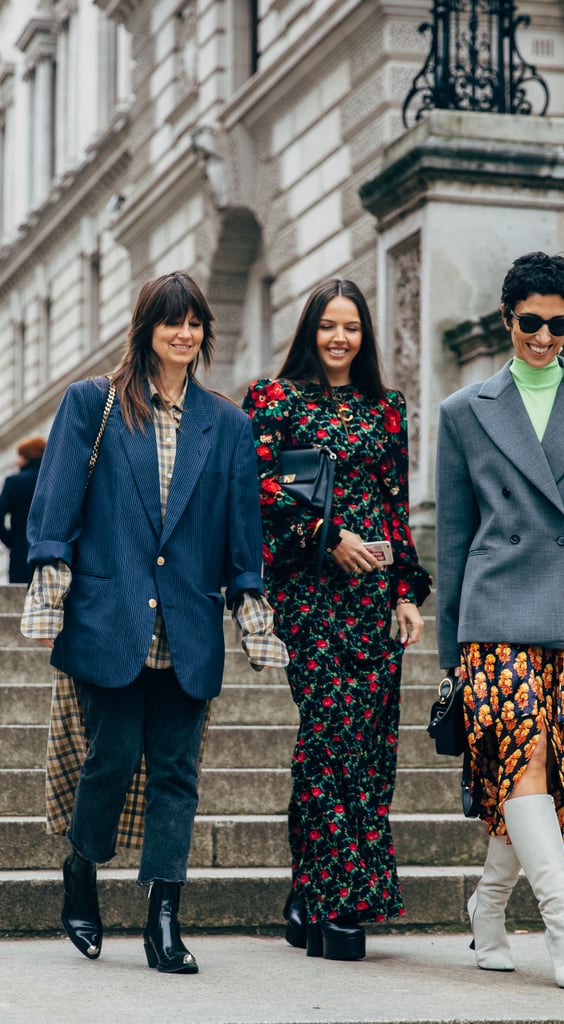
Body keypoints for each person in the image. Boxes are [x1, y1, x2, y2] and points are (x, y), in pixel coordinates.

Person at [21, 271, 288, 973]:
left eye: (195, 322)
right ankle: (81, 868)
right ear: (146, 328)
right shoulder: (94, 404)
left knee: (176, 772)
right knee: (110, 759)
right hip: (109, 616)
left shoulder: (226, 422)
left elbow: (240, 527)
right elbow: (55, 506)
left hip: (189, 622)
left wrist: (249, 603)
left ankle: (163, 919)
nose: (184, 334)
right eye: (171, 321)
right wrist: (51, 583)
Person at [435, 251, 564, 990]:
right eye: (530, 322)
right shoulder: (463, 412)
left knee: (549, 772)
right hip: (493, 613)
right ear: (505, 318)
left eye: (558, 325)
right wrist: (449, 646)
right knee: (523, 758)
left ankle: (486, 907)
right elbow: (454, 535)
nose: (544, 337)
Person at [243, 278, 431, 961]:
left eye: (351, 327)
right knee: (326, 739)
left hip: (373, 597)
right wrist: (327, 533)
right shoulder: (274, 399)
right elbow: (257, 487)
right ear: (309, 330)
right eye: (328, 325)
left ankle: (309, 893)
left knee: (369, 748)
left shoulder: (386, 408)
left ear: (364, 335)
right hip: (308, 592)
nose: (339, 338)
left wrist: (406, 591)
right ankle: (339, 902)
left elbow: (393, 502)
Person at [0, 436, 46, 582]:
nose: (17, 461)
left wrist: (11, 540)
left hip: (21, 553)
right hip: (50, 552)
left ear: (28, 457)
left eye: (20, 456)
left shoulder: (14, 482)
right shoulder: (52, 482)